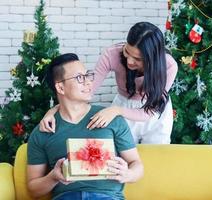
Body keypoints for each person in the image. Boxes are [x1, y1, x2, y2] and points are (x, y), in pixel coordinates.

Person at [27, 53, 143, 200]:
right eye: (79, 78)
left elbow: (137, 164)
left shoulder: (111, 118)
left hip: (107, 197)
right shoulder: (43, 131)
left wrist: (128, 174)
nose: (88, 82)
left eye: (87, 75)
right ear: (60, 87)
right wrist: (53, 177)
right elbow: (33, 189)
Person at [40, 21, 178, 144]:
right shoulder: (112, 54)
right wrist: (52, 111)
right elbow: (87, 90)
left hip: (153, 112)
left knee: (155, 157)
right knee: (121, 154)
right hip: (123, 104)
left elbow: (148, 113)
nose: (129, 61)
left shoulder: (169, 66)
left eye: (137, 58)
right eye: (127, 52)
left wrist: (116, 110)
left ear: (152, 58)